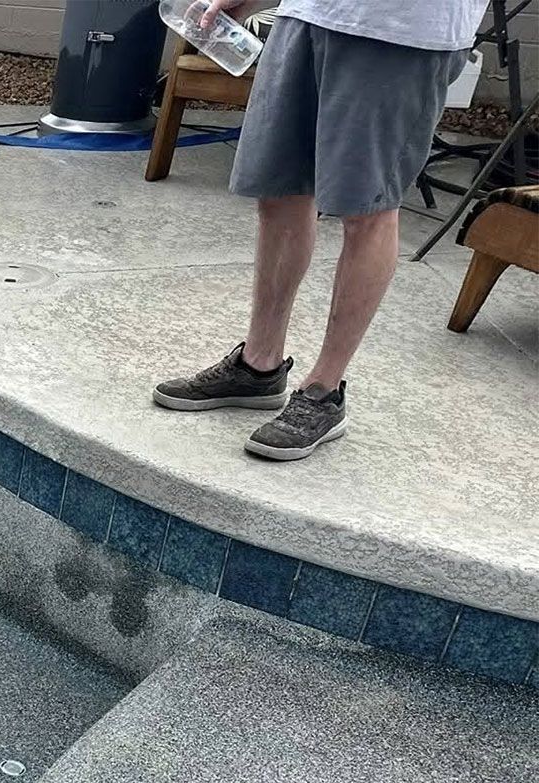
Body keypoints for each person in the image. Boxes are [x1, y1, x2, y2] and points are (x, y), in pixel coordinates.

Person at [152, 0, 486, 461]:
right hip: (306, 15)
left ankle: (324, 390)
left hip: (404, 33)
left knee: (368, 208)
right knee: (280, 190)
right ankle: (259, 365)